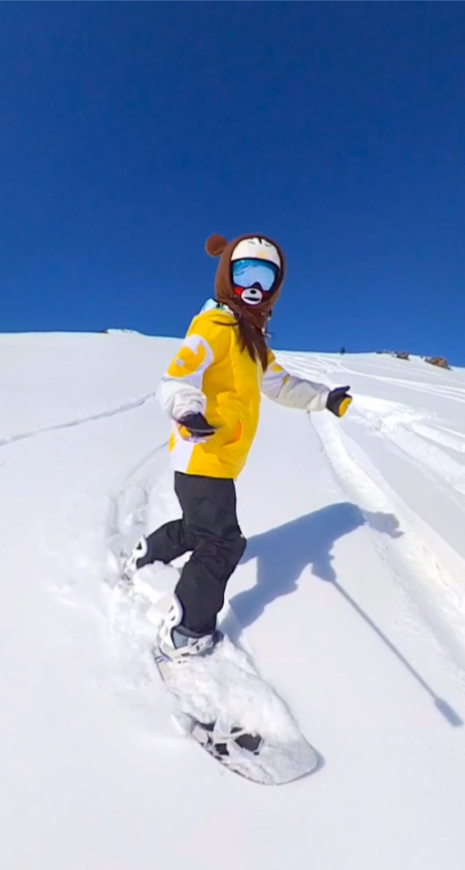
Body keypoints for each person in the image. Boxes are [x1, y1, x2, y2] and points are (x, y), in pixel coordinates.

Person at [123, 233, 353, 659]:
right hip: (202, 451)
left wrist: (324, 397)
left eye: (265, 276)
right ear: (227, 275)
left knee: (199, 529)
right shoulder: (215, 327)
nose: (254, 285)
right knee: (223, 542)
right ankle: (188, 630)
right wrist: (189, 410)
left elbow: (282, 385)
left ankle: (148, 552)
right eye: (244, 271)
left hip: (221, 459)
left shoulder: (253, 344)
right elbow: (177, 377)